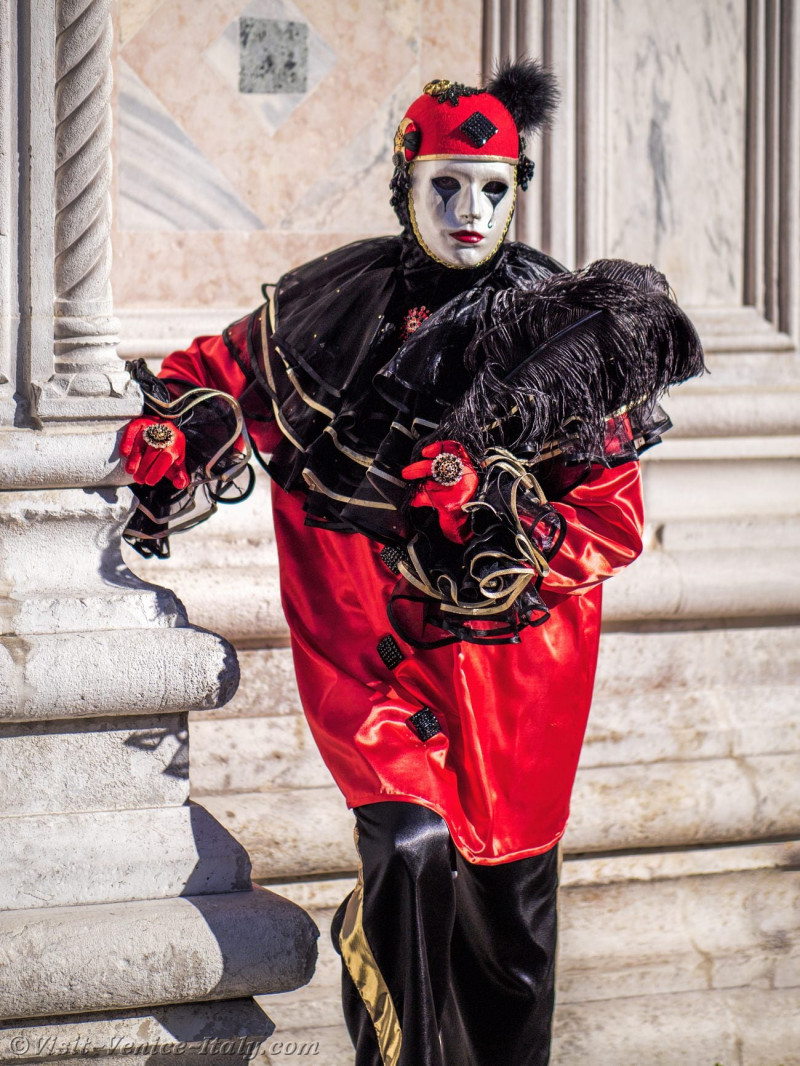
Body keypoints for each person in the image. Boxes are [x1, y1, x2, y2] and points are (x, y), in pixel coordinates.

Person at [120, 60, 703, 1066]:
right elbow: (213, 376)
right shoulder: (332, 307)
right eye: (444, 185)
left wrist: (499, 518)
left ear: (517, 189)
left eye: (491, 188)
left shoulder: (563, 328)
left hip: (514, 681)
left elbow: (610, 521)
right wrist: (179, 431)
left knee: (510, 942)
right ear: (405, 183)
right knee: (408, 843)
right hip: (372, 662)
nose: (469, 211)